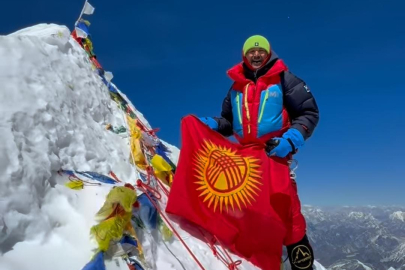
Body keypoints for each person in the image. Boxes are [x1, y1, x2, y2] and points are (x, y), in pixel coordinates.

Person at [199, 35, 319, 270]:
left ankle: (302, 266)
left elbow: (309, 113)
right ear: (244, 56)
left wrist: (291, 139)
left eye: (260, 51)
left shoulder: (285, 79)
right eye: (251, 52)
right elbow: (228, 121)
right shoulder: (235, 87)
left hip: (274, 153)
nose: (256, 55)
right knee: (244, 212)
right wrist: (212, 124)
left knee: (287, 212)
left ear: (268, 53)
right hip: (245, 160)